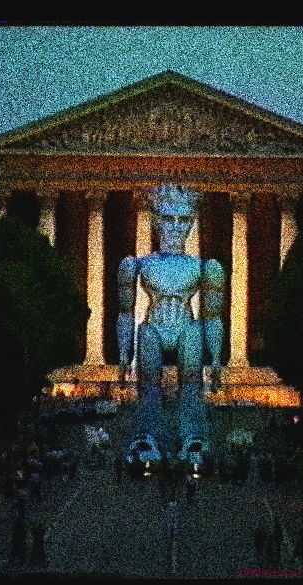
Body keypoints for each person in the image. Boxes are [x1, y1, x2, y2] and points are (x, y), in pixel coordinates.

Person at [117, 185, 225, 456]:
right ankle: (147, 434)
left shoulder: (205, 267)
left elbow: (212, 315)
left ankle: (192, 436)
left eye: (184, 220)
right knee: (149, 385)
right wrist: (124, 352)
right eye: (168, 219)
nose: (176, 227)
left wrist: (214, 358)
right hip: (152, 327)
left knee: (192, 384)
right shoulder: (137, 265)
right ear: (154, 221)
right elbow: (126, 311)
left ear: (192, 223)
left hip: (187, 327)